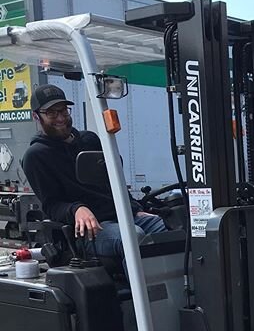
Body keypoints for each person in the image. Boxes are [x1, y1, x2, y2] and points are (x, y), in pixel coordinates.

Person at [22, 84, 166, 259]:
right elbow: (51, 204)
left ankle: (180, 283)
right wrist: (77, 209)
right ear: (36, 116)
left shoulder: (89, 140)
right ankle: (144, 287)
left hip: (123, 217)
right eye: (52, 113)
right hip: (90, 230)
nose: (60, 118)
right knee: (132, 237)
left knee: (174, 225)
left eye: (63, 111)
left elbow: (113, 180)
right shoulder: (36, 156)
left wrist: (135, 208)